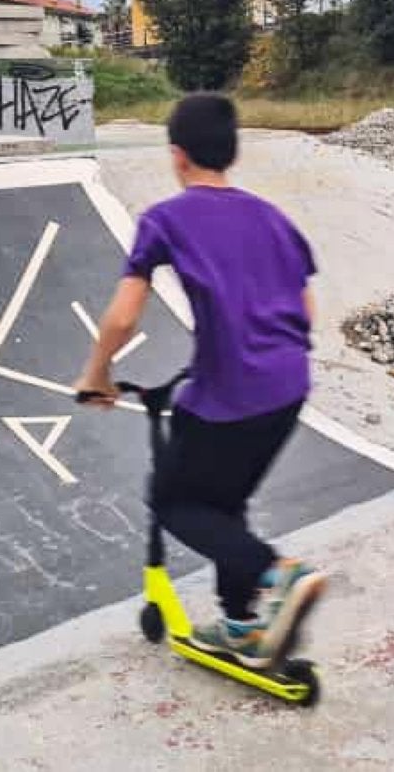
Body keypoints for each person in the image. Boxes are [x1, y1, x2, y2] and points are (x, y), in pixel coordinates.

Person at [75, 92, 325, 668]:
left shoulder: (166, 219)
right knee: (223, 502)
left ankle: (279, 574)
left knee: (175, 504)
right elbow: (306, 311)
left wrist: (98, 376)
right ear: (230, 153)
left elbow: (122, 315)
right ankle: (240, 625)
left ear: (178, 155)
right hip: (289, 388)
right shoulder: (273, 219)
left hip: (231, 393)